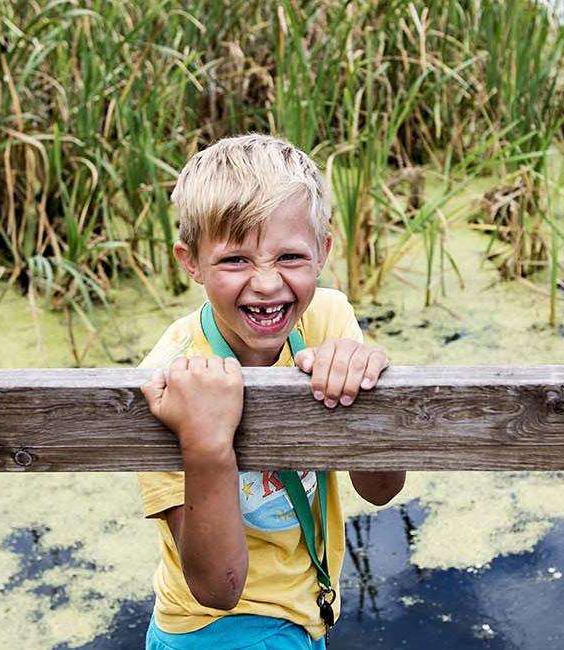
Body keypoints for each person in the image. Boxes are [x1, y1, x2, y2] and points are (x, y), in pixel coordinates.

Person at [136, 133, 406, 649]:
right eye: (235, 260)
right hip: (220, 632)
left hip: (302, 615)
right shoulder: (171, 379)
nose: (265, 283)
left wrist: (368, 393)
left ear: (323, 251)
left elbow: (380, 488)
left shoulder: (327, 318)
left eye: (289, 257)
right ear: (190, 261)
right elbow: (217, 588)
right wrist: (207, 443)